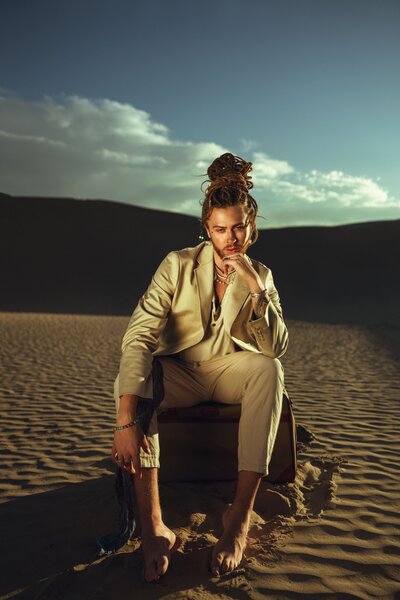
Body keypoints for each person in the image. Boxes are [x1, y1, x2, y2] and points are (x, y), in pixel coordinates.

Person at [111, 152, 289, 582]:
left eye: (238, 228)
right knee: (141, 372)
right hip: (181, 373)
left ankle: (238, 519)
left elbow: (276, 347)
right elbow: (139, 335)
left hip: (231, 372)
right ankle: (154, 527)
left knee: (268, 370)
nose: (230, 238)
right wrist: (123, 418)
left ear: (252, 227)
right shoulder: (177, 264)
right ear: (206, 228)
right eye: (220, 229)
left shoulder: (261, 275)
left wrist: (255, 291)